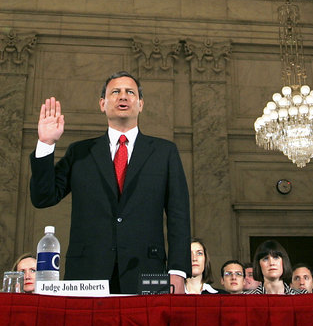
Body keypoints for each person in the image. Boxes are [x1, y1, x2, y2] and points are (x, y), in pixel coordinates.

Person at [29, 71, 191, 294]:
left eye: (130, 92)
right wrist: (46, 144)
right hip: (87, 273)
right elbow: (43, 197)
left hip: (146, 271)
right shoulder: (80, 153)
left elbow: (178, 215)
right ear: (102, 104)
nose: (123, 97)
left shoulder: (165, 152)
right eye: (115, 92)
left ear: (141, 104)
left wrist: (178, 271)